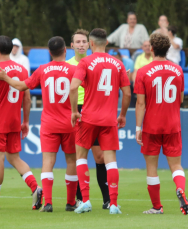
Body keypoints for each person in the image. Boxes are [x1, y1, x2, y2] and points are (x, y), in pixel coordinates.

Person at [0, 36, 78, 213]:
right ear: (65, 51)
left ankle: (48, 203)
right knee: (71, 160)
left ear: (49, 52)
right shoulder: (73, 70)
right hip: (70, 122)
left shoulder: (42, 70)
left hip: (49, 123)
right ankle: (70, 202)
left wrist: (5, 77)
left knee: (48, 161)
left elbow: (22, 86)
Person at [0, 36, 42, 211]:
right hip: (14, 120)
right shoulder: (22, 69)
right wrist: (25, 120)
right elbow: (26, 98)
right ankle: (35, 187)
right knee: (14, 157)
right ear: (11, 49)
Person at [70, 28, 131, 214]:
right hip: (109, 119)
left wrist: (74, 111)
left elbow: (73, 88)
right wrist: (122, 115)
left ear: (91, 43)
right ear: (106, 43)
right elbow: (127, 92)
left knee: (81, 157)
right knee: (110, 161)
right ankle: (112, 204)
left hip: (88, 117)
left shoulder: (86, 62)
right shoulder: (118, 64)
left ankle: (86, 201)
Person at [134, 33, 188, 215]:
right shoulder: (178, 70)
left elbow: (140, 103)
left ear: (151, 48)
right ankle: (180, 189)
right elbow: (180, 99)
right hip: (173, 125)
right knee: (176, 165)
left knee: (152, 167)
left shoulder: (142, 72)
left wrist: (138, 128)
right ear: (168, 49)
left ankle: (157, 207)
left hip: (151, 126)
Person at [66, 29, 112, 209]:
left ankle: (107, 199)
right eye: (77, 42)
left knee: (100, 157)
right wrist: (71, 110)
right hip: (75, 111)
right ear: (71, 46)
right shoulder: (68, 66)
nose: (81, 44)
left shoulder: (95, 63)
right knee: (79, 155)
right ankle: (80, 198)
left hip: (94, 110)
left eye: (84, 41)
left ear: (89, 43)